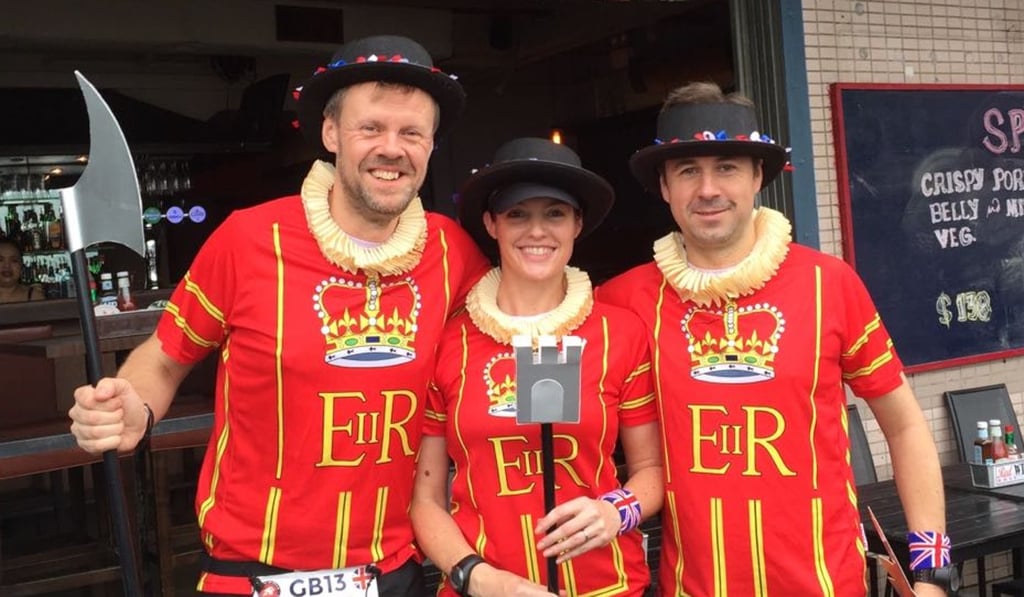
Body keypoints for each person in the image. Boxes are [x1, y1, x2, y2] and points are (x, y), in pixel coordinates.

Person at [68, 35, 490, 596]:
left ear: (431, 145)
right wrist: (133, 407)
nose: (392, 148)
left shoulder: (453, 251)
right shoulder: (247, 238)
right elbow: (166, 360)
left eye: (411, 133)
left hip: (395, 569)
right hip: (253, 573)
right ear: (331, 133)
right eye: (371, 128)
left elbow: (504, 351)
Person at [597, 82, 950, 596]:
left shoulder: (829, 283)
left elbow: (904, 427)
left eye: (727, 167)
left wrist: (931, 573)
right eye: (688, 171)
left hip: (828, 585)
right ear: (664, 186)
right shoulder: (622, 300)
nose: (708, 189)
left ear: (759, 176)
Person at [411, 137, 663, 596]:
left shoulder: (620, 333)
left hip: (607, 585)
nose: (537, 231)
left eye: (555, 213)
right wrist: (477, 578)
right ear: (491, 224)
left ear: (577, 224)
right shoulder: (449, 340)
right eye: (517, 214)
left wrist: (615, 510)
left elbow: (652, 468)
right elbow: (425, 500)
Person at [0, 239, 44, 303]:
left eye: (14, 260)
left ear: (21, 267)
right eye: (0, 260)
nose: (7, 266)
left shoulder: (35, 297)